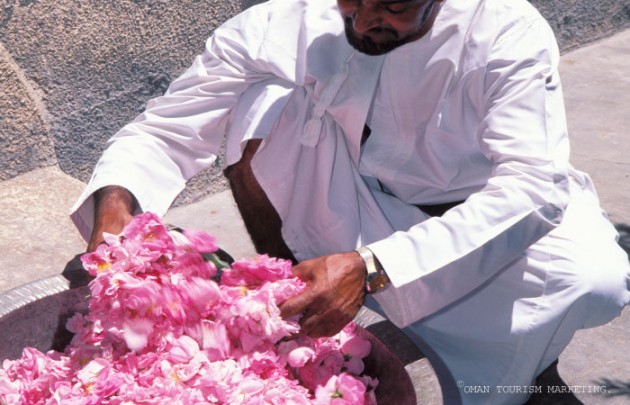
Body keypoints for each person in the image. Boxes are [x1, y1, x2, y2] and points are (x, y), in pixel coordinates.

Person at [71, 0, 630, 403]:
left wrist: (373, 267)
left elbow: (531, 185)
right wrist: (119, 202)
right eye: (351, 0)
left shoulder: (506, 31)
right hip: (344, 196)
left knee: (591, 280)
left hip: (475, 217)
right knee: (264, 101)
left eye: (392, 6)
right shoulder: (280, 21)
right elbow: (169, 126)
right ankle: (291, 288)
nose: (363, 21)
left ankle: (532, 367)